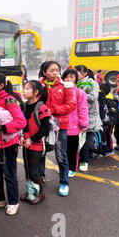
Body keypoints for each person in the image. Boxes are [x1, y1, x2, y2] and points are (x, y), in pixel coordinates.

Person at [0, 72, 26, 215]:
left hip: (9, 144)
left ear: (1, 86)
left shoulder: (9, 100)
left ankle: (14, 202)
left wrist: (3, 128)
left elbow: (21, 122)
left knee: (9, 173)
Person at [39, 61, 76, 196]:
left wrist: (52, 110)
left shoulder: (66, 86)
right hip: (42, 124)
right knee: (41, 152)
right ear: (44, 72)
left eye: (57, 70)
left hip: (60, 125)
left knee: (61, 155)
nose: (55, 73)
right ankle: (40, 179)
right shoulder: (39, 86)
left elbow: (71, 104)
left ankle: (64, 182)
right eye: (51, 70)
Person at [20, 80, 51, 205]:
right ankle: (30, 191)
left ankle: (41, 193)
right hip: (25, 143)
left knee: (34, 171)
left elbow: (45, 128)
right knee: (27, 168)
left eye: (27, 89)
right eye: (24, 88)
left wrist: (31, 139)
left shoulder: (42, 107)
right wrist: (22, 136)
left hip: (36, 144)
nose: (24, 91)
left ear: (36, 92)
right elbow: (23, 124)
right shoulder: (24, 105)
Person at [62, 69, 89, 178]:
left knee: (72, 150)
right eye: (66, 77)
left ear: (76, 80)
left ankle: (72, 168)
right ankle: (64, 167)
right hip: (61, 126)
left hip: (74, 126)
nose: (69, 79)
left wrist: (83, 124)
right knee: (62, 150)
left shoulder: (80, 93)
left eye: (71, 77)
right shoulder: (59, 91)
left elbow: (83, 109)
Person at [75, 65, 102, 171]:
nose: (75, 74)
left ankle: (84, 161)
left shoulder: (92, 83)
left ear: (84, 73)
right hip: (75, 116)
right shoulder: (73, 82)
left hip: (89, 115)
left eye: (77, 72)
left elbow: (93, 97)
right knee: (77, 140)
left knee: (84, 139)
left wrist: (77, 94)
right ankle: (78, 160)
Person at [100, 83, 116, 156]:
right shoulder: (103, 97)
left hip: (109, 121)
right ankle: (104, 149)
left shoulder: (108, 99)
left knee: (108, 136)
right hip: (106, 121)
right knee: (104, 136)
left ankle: (109, 150)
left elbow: (111, 111)